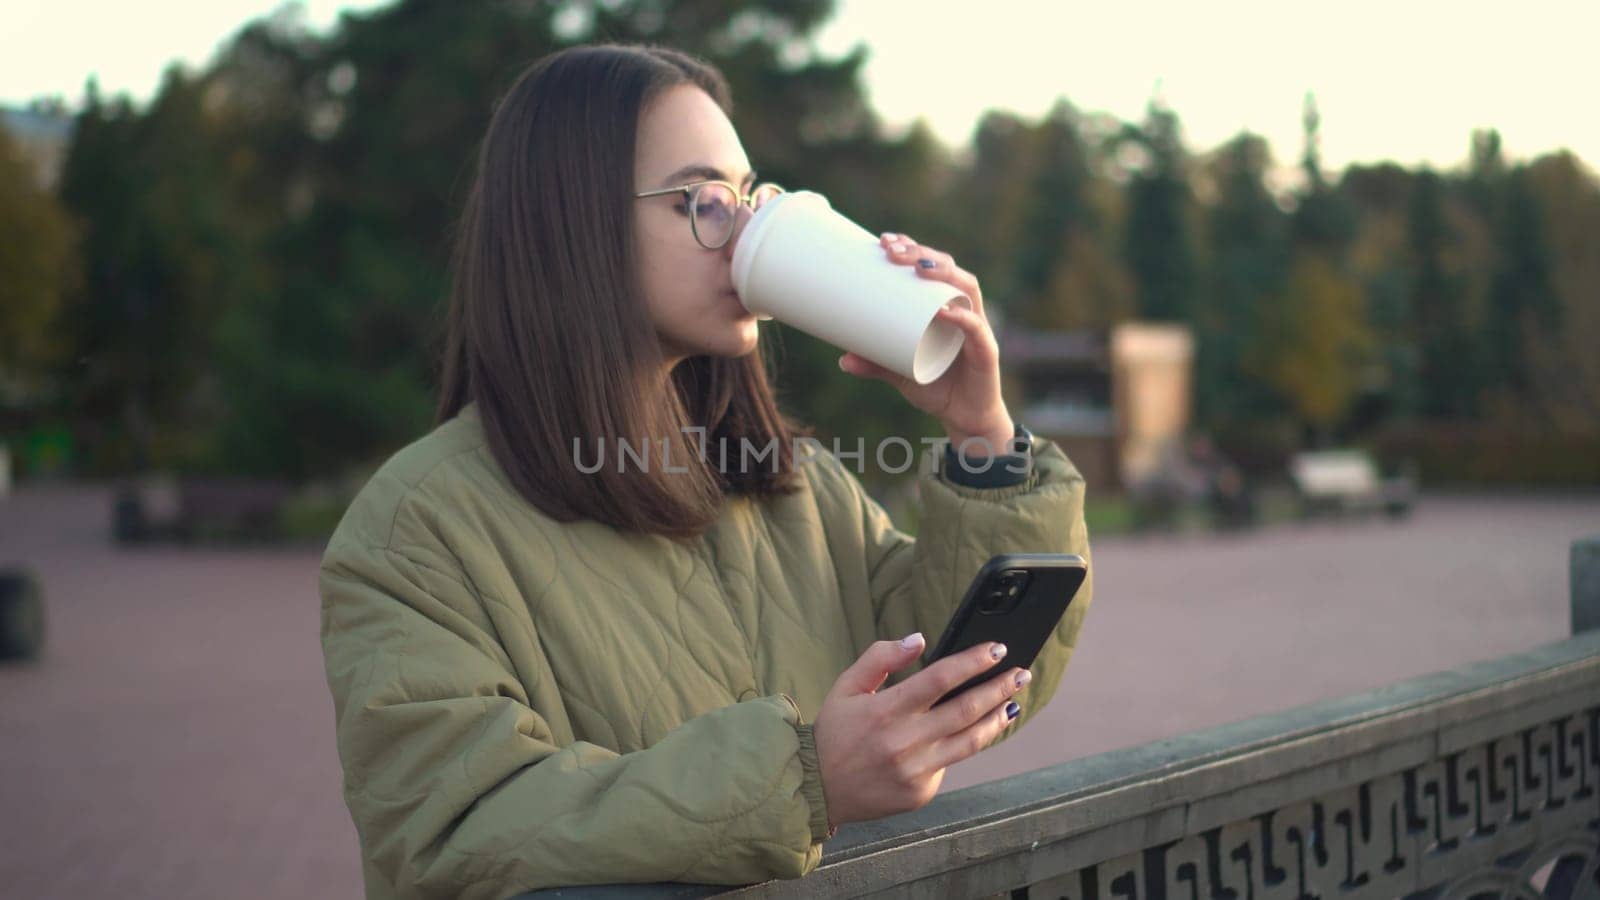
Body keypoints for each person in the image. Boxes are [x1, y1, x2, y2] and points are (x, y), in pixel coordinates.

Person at [318, 43, 1094, 900]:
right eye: (704, 202)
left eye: (750, 197)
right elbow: (452, 832)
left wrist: (980, 431)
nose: (746, 233)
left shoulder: (793, 482)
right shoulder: (417, 531)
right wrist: (801, 784)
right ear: (570, 223)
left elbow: (942, 681)